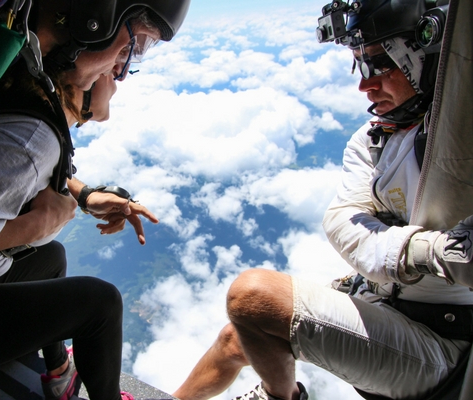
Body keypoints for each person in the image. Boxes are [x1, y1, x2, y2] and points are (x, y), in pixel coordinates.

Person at [0, 1, 191, 400]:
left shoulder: (6, 65)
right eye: (132, 47)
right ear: (98, 18)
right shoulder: (33, 140)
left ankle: (59, 371)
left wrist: (86, 194)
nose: (121, 71)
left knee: (52, 258)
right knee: (101, 304)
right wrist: (28, 228)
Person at [172, 1, 472, 399]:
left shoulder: (458, 144)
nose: (364, 85)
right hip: (385, 305)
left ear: (431, 55)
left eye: (381, 64)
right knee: (237, 336)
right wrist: (428, 251)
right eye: (360, 66)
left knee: (252, 297)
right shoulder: (373, 141)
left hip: (440, 346)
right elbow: (345, 222)